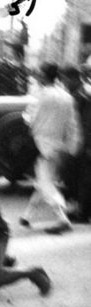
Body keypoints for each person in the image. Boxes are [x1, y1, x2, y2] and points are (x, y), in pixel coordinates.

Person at [20, 62, 81, 234]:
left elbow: (31, 118)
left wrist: (26, 119)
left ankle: (63, 218)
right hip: (60, 146)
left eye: (39, 73)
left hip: (41, 145)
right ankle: (27, 215)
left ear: (43, 76)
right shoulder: (66, 97)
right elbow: (72, 125)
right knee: (44, 180)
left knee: (45, 182)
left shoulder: (41, 95)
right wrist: (72, 147)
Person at [60, 65, 91, 223]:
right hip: (80, 142)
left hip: (85, 143)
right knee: (78, 178)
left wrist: (86, 146)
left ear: (73, 78)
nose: (63, 83)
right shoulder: (79, 92)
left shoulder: (83, 94)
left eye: (65, 79)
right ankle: (81, 210)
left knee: (85, 179)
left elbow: (86, 123)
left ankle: (83, 214)